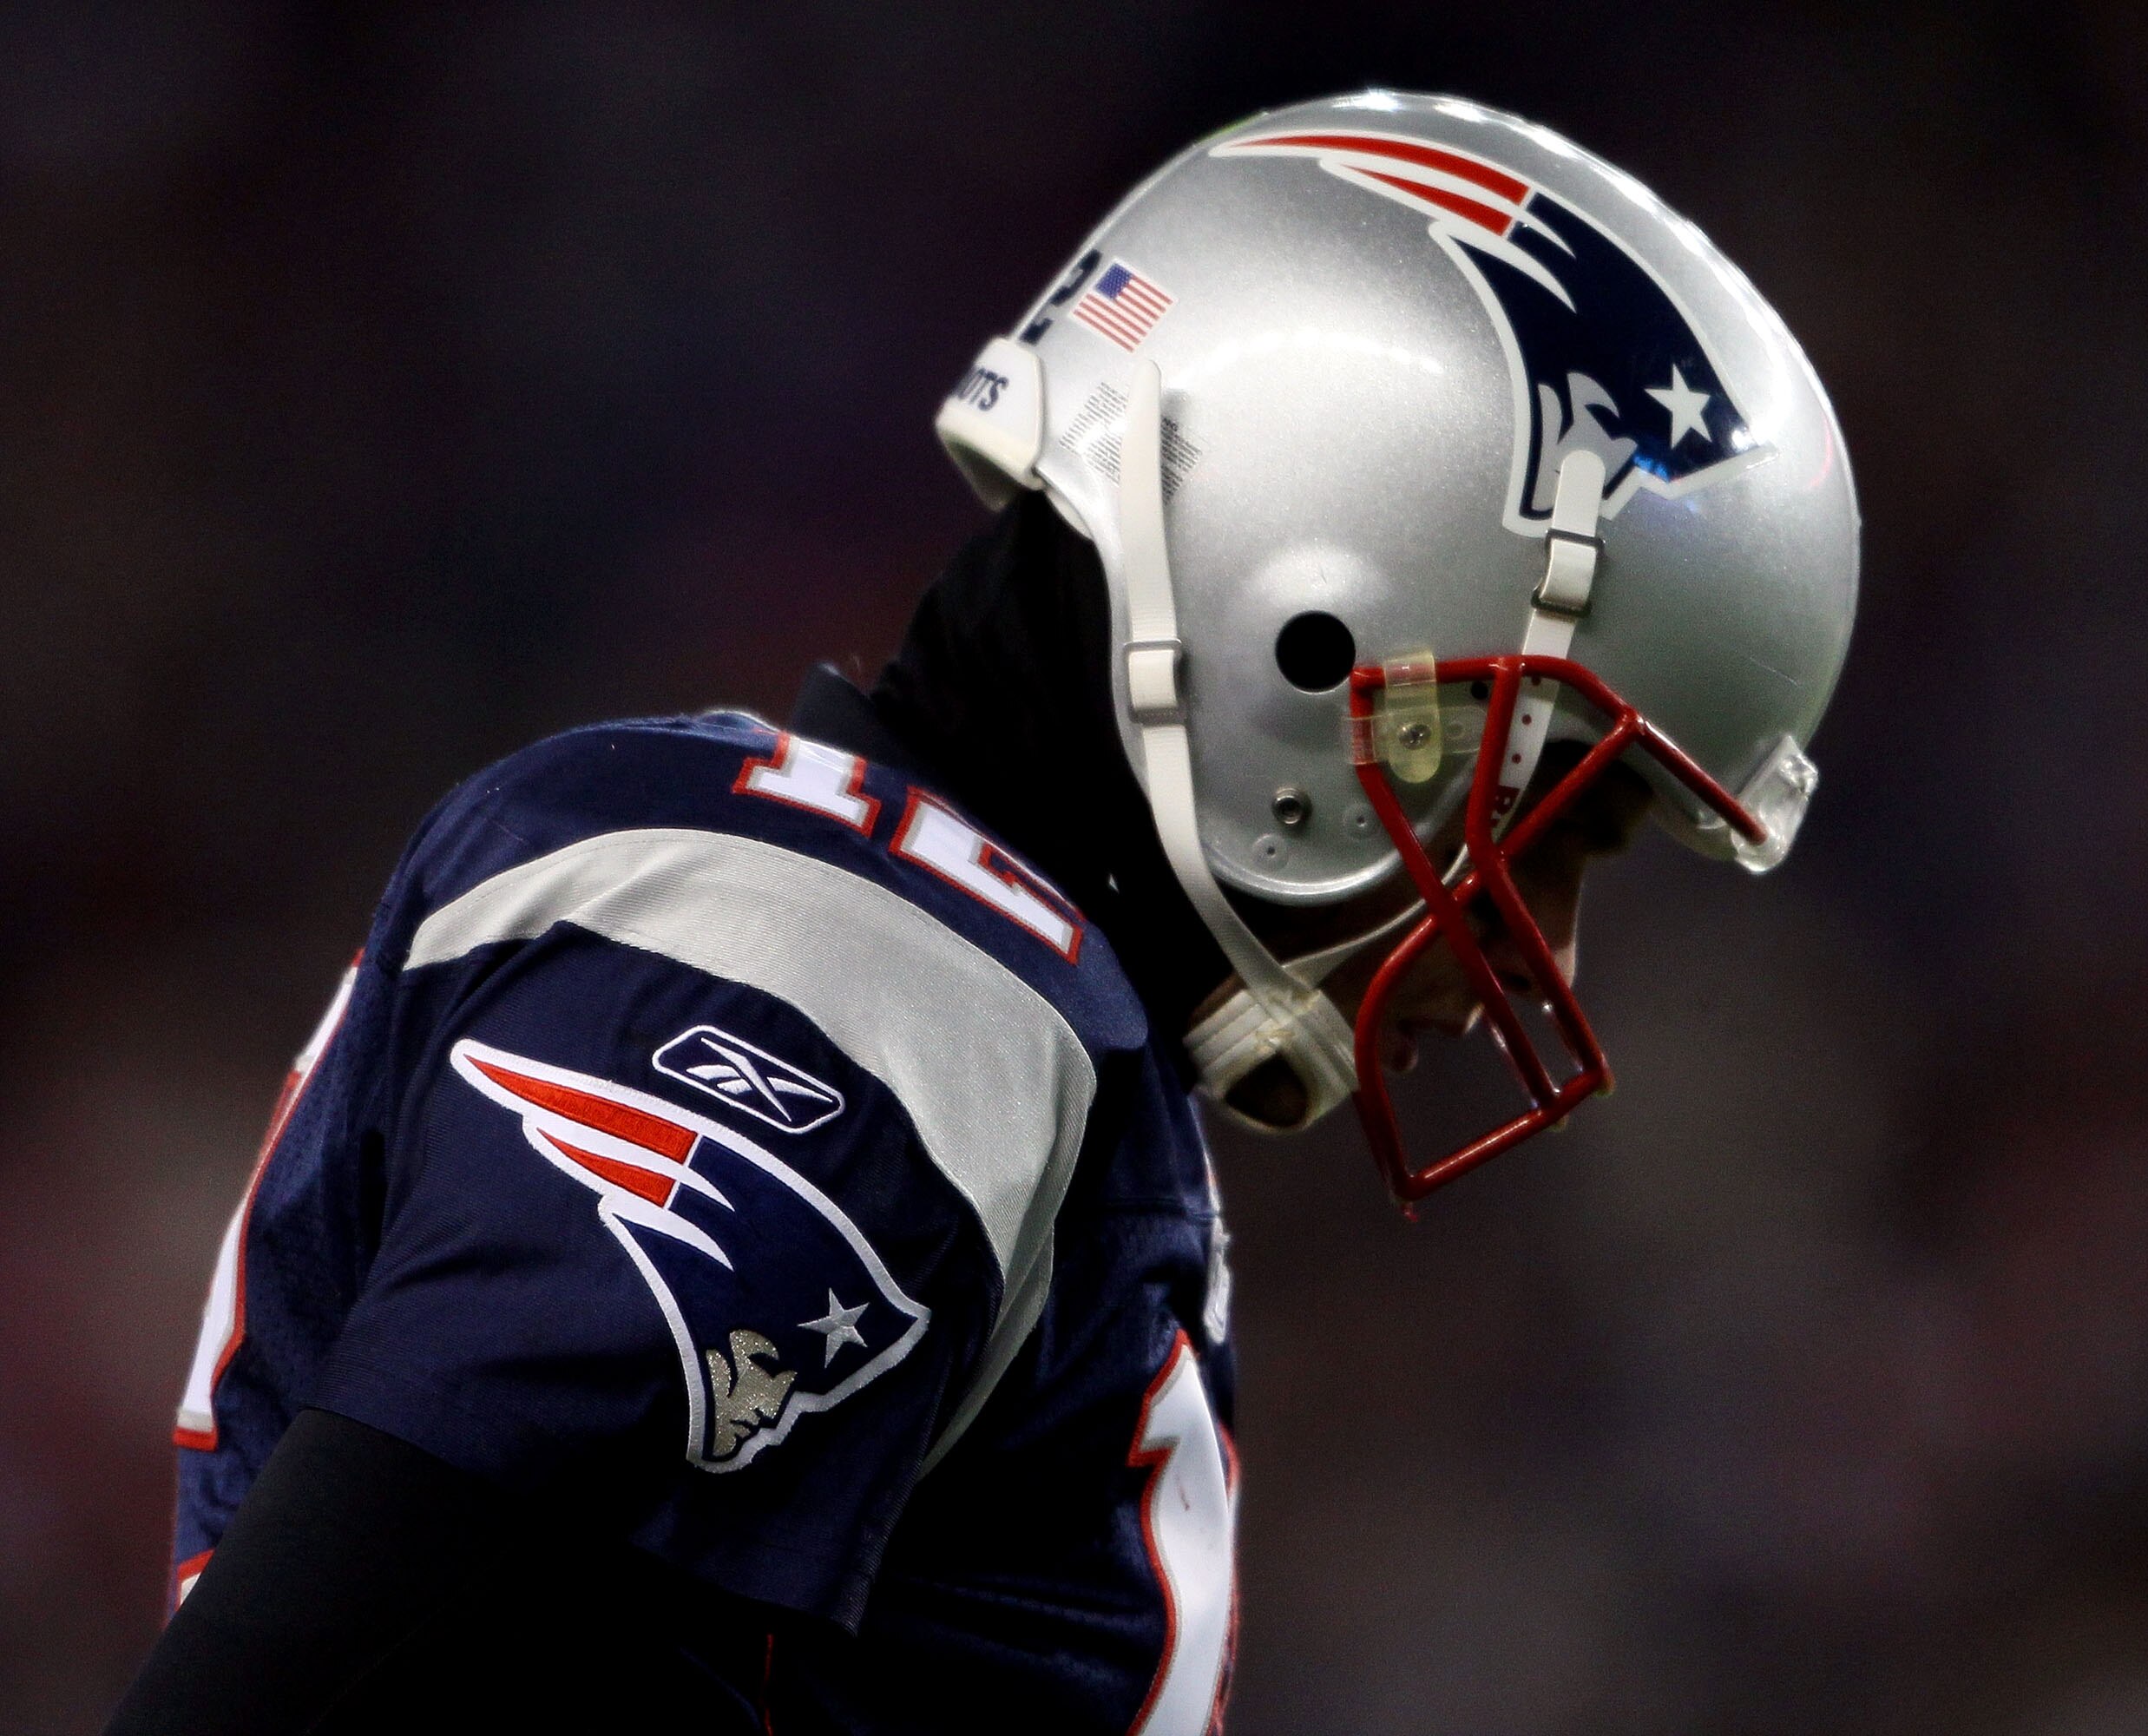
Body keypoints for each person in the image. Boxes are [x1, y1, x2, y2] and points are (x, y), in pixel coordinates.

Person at [109, 92, 1857, 1734]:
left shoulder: (985, 1000)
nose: (1532, 949)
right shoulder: (859, 972)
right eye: (1553, 817)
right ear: (1319, 631)